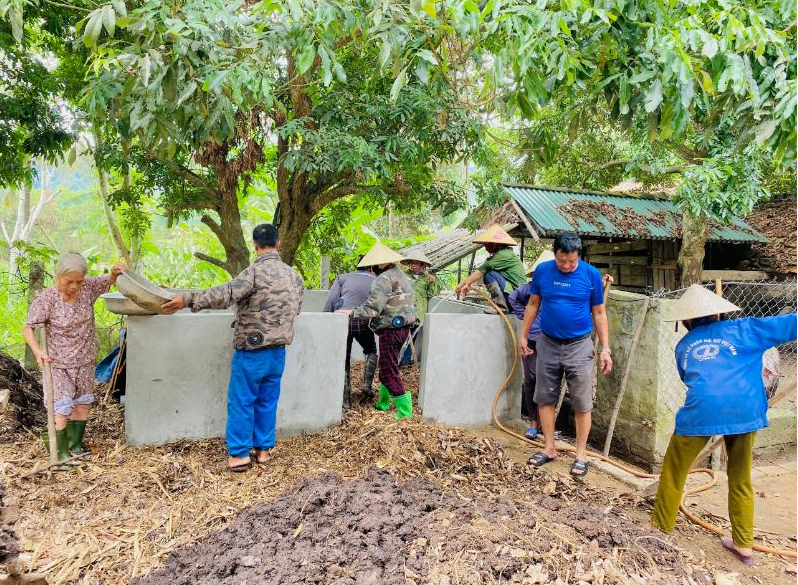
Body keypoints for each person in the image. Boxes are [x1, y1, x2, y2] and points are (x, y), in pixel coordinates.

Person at [650, 284, 797, 565]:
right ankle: (744, 544)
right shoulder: (746, 329)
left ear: (685, 321)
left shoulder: (683, 345)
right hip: (744, 409)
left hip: (702, 411)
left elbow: (689, 376)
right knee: (740, 477)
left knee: (674, 471)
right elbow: (791, 324)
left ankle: (659, 528)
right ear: (719, 314)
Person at [161, 224, 304, 472]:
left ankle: (239, 454)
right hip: (278, 352)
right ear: (278, 243)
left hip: (252, 352)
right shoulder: (294, 276)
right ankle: (263, 450)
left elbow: (225, 294)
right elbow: (297, 308)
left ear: (255, 245)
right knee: (267, 401)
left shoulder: (253, 273)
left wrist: (187, 299)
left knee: (242, 401)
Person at [518, 232, 612, 478]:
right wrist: (523, 335)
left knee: (582, 401)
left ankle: (581, 455)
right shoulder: (543, 272)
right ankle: (549, 448)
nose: (567, 266)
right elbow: (533, 304)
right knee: (544, 398)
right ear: (555, 253)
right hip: (547, 342)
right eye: (562, 261)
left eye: (572, 261)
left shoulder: (590, 274)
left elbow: (599, 313)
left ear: (578, 255)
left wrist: (606, 348)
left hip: (579, 345)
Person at [23, 253, 126, 464]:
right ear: (58, 276)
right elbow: (28, 328)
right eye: (68, 281)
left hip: (85, 359)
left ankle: (74, 446)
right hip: (58, 363)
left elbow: (109, 279)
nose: (74, 286)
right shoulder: (47, 299)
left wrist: (116, 272)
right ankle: (61, 454)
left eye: (78, 281)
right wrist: (38, 352)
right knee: (62, 407)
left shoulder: (88, 287)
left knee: (82, 404)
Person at [337, 242, 416, 419]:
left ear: (379, 264)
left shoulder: (383, 279)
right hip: (403, 327)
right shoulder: (401, 276)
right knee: (388, 365)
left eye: (373, 265)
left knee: (388, 371)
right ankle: (384, 403)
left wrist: (351, 312)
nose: (371, 269)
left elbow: (372, 309)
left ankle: (405, 412)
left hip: (390, 329)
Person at [507, 250, 553, 440]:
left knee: (550, 382)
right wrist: (523, 314)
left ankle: (546, 425)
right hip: (532, 340)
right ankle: (533, 423)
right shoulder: (527, 289)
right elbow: (512, 299)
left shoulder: (556, 290)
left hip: (552, 340)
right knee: (532, 380)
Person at [323, 260, 377, 407]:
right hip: (363, 321)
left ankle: (345, 398)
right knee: (371, 351)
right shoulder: (376, 280)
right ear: (371, 267)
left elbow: (331, 301)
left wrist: (326, 319)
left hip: (343, 320)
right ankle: (366, 387)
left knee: (344, 357)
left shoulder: (343, 277)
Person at [455, 225, 526, 312]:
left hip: (517, 299)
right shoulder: (504, 254)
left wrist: (467, 284)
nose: (485, 247)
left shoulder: (503, 255)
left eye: (487, 244)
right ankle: (503, 305)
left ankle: (501, 307)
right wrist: (463, 284)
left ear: (495, 244)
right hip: (515, 298)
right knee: (488, 273)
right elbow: (479, 273)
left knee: (489, 274)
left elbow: (482, 270)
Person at [400, 249, 440, 365]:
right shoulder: (402, 276)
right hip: (404, 311)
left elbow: (431, 294)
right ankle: (395, 360)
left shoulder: (428, 278)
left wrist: (432, 283)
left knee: (412, 337)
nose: (413, 265)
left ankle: (405, 362)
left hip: (418, 313)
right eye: (411, 262)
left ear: (422, 265)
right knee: (400, 336)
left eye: (416, 263)